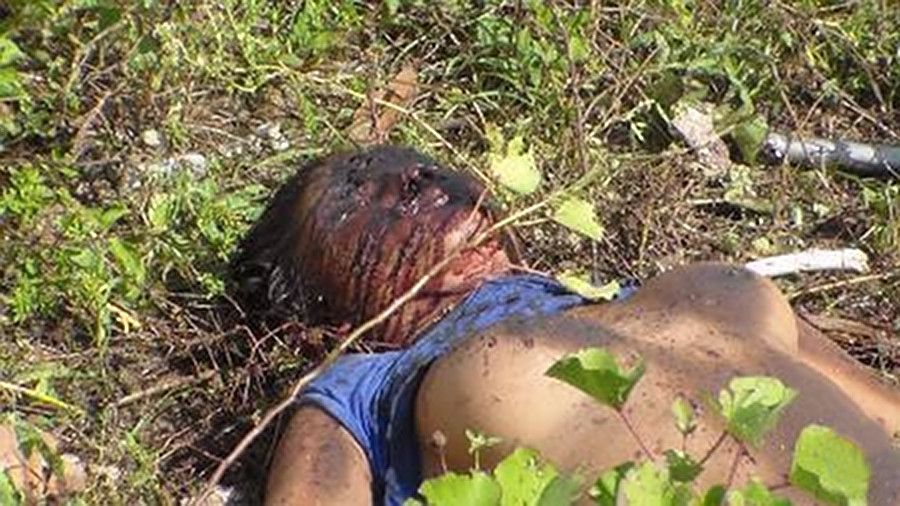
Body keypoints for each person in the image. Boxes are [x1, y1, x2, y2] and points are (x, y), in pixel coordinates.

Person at [231, 146, 900, 506]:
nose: (411, 175)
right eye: (355, 191)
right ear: (318, 325)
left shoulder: (686, 292)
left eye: (416, 162)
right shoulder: (365, 384)